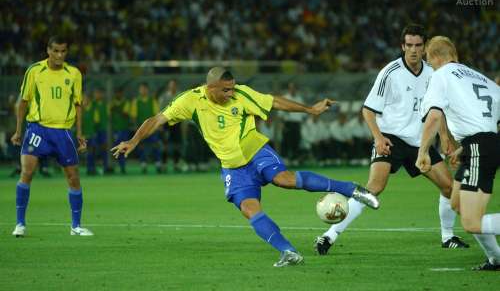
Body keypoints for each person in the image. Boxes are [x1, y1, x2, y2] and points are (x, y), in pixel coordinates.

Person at [111, 67, 379, 267]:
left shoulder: (242, 94)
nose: (231, 93)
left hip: (255, 150)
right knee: (250, 209)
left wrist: (309, 110)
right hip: (233, 166)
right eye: (225, 90)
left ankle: (352, 190)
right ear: (210, 88)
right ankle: (288, 252)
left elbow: (273, 101)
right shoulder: (189, 101)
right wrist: (134, 140)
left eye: (232, 88)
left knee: (284, 179)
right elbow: (157, 119)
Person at [314, 24, 468, 255]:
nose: (414, 50)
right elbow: (368, 110)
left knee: (448, 187)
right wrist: (378, 138)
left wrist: (445, 139)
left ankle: (448, 237)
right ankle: (329, 236)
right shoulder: (390, 72)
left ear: (425, 47)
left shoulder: (433, 73)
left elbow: (438, 111)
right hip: (392, 139)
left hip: (420, 143)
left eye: (418, 45)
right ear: (402, 46)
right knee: (374, 187)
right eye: (409, 45)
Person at [416, 36, 500, 271]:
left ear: (434, 58)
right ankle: (496, 259)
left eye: (430, 63)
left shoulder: (441, 75)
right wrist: (466, 146)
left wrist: (423, 150)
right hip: (482, 144)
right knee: (457, 202)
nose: (431, 67)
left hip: (480, 149)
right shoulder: (481, 78)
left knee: (471, 222)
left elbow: (434, 116)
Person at [10, 36, 93, 237]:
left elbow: (78, 105)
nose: (59, 55)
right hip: (37, 130)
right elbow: (23, 102)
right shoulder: (34, 71)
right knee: (27, 173)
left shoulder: (73, 74)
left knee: (73, 178)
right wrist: (18, 130)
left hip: (63, 132)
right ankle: (20, 224)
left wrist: (80, 133)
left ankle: (76, 226)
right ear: (48, 50)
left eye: (63, 51)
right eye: (55, 51)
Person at [129, 82, 162, 174]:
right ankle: (143, 164)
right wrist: (136, 128)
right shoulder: (136, 101)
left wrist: (157, 126)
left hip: (152, 128)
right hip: (141, 128)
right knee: (142, 146)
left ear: (147, 90)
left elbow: (156, 115)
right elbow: (134, 116)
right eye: (141, 89)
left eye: (145, 89)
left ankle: (158, 163)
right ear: (139, 90)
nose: (143, 90)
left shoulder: (153, 101)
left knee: (155, 144)